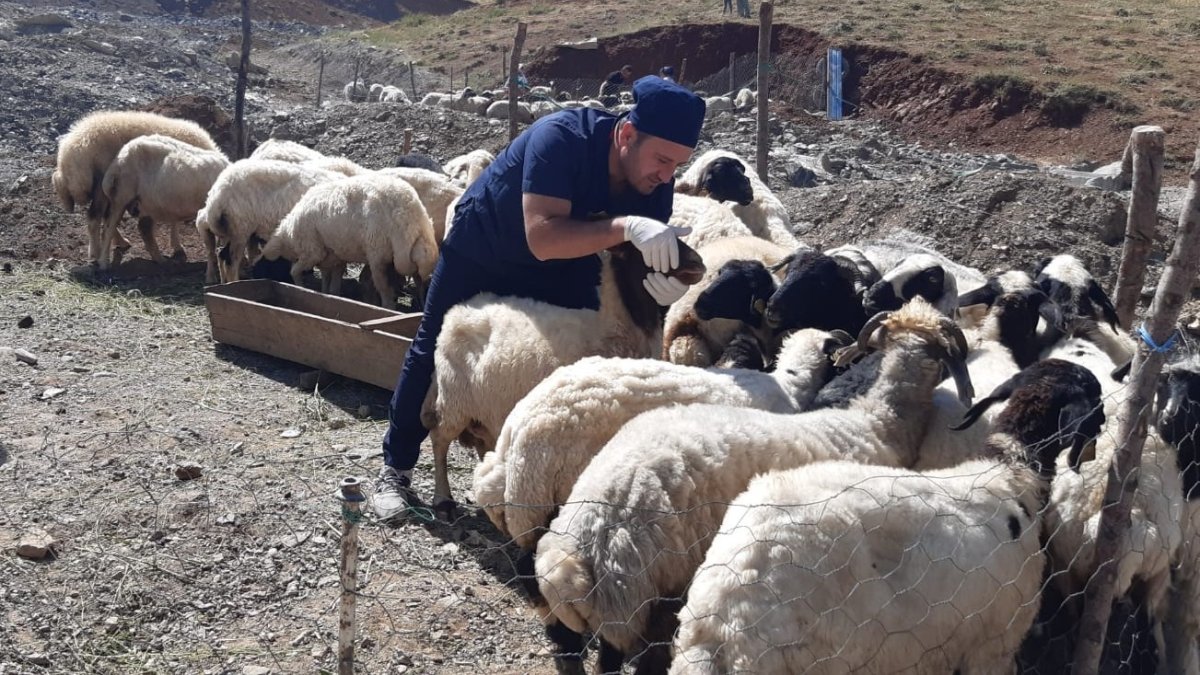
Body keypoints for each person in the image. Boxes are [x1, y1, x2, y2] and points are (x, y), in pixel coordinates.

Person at [372, 76, 707, 520]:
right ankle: (395, 468)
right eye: (662, 160)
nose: (667, 177)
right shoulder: (562, 138)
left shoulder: (653, 185)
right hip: (486, 247)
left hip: (566, 263)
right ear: (626, 134)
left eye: (678, 166)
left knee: (567, 360)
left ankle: (542, 476)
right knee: (435, 344)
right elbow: (543, 236)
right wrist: (625, 227)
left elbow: (636, 259)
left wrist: (665, 289)